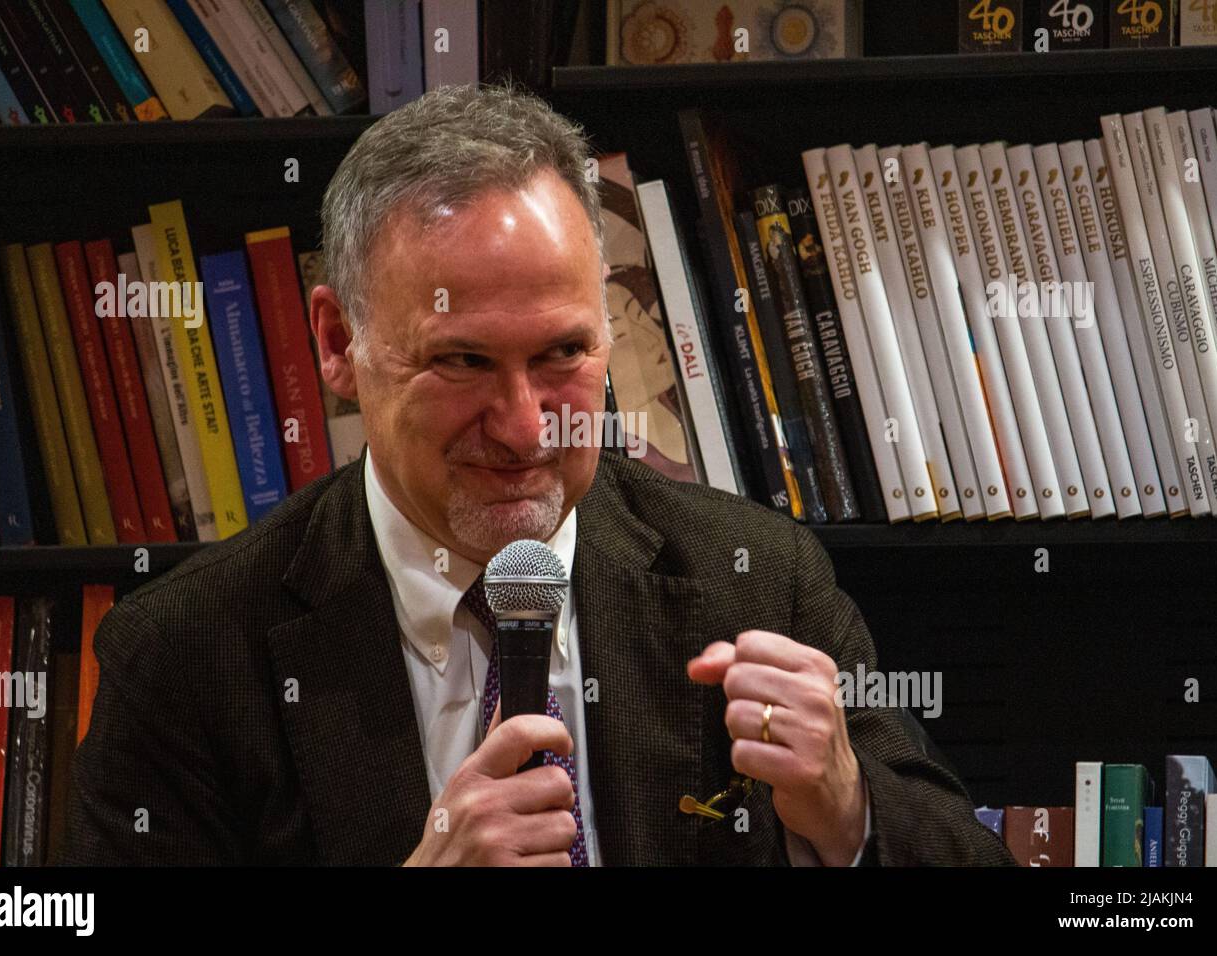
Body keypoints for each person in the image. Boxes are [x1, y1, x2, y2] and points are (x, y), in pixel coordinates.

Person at [63, 84, 1016, 867]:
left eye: (563, 353)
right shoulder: (184, 656)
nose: (525, 430)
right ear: (337, 344)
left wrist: (847, 817)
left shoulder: (758, 578)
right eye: (463, 362)